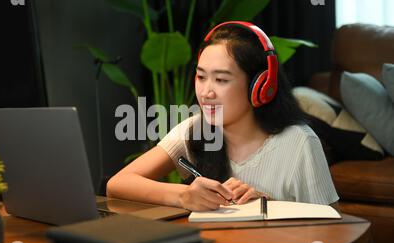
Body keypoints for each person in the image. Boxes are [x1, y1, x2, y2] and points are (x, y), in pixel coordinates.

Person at [107, 21, 339, 212]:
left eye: (221, 80)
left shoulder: (299, 142)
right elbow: (118, 184)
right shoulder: (193, 129)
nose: (206, 92)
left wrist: (271, 208)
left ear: (260, 86)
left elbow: (331, 231)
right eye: (201, 77)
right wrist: (184, 195)